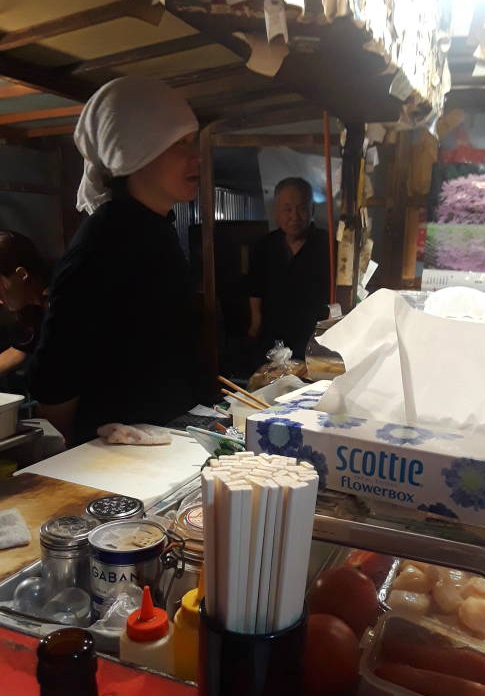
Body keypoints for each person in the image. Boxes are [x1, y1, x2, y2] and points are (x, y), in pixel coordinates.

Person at [29, 75, 205, 445]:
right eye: (179, 143)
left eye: (194, 140)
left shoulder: (158, 228)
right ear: (133, 152)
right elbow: (54, 380)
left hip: (166, 445)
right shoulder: (104, 241)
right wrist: (82, 456)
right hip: (119, 461)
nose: (196, 156)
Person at [248, 177, 330, 362]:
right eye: (287, 209)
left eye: (301, 208)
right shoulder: (263, 246)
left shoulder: (329, 246)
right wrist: (255, 324)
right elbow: (255, 289)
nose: (294, 216)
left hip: (313, 340)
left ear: (312, 210)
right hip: (272, 339)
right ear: (276, 212)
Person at [0, 230, 49, 379]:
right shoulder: (31, 311)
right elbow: (19, 350)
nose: (0, 300)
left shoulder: (58, 306)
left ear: (22, 274)